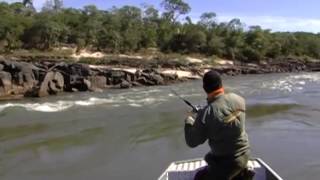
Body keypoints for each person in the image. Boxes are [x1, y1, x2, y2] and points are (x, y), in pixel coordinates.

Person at [184, 70, 250, 180]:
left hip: (226, 164)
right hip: (245, 155)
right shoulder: (239, 100)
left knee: (199, 177)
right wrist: (204, 112)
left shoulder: (206, 114)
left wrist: (189, 120)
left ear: (204, 88)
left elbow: (192, 142)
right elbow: (224, 116)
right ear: (221, 83)